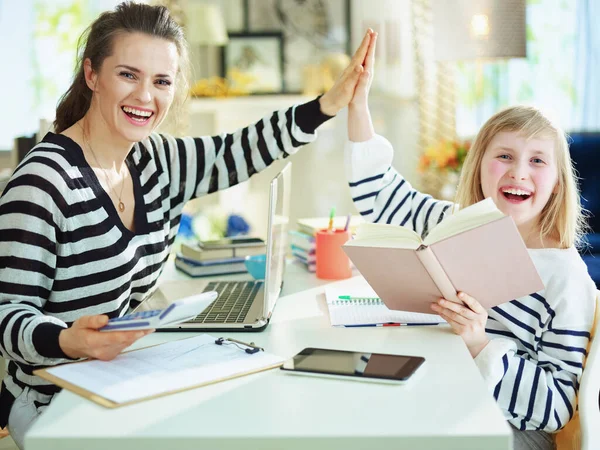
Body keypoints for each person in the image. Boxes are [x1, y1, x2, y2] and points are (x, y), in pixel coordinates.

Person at [0, 2, 377, 448]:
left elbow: (238, 151)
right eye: (128, 74)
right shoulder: (42, 183)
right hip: (54, 404)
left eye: (161, 81)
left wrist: (330, 103)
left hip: (115, 380)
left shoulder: (154, 158)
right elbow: (7, 316)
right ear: (92, 75)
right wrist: (68, 340)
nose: (145, 96)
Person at [345, 32, 595, 450]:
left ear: (556, 183)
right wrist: (357, 104)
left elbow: (556, 410)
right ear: (479, 166)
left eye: (537, 160)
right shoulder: (452, 223)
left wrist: (481, 343)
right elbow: (380, 193)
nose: (519, 172)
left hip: (508, 430)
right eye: (504, 156)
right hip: (442, 395)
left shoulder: (566, 278)